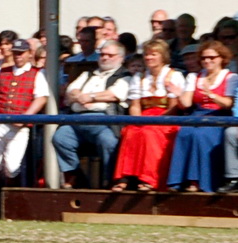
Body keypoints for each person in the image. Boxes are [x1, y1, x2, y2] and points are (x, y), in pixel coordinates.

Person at [110, 39, 184, 192]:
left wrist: (156, 121)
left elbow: (174, 107)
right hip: (144, 116)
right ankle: (125, 177)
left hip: (166, 118)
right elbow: (135, 105)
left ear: (162, 56)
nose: (149, 58)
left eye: (153, 54)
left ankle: (149, 178)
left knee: (150, 133)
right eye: (147, 55)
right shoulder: (140, 77)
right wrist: (139, 120)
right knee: (130, 131)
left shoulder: (174, 76)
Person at [52, 40, 128, 186]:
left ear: (120, 58)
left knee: (109, 141)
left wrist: (90, 97)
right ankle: (75, 176)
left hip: (104, 121)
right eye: (102, 55)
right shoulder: (87, 74)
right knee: (60, 137)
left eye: (110, 55)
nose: (105, 58)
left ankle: (110, 180)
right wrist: (78, 95)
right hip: (76, 119)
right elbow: (70, 91)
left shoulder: (124, 75)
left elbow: (114, 94)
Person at [167, 41, 234, 192]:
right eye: (204, 58)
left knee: (201, 134)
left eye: (211, 58)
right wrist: (178, 93)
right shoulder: (195, 77)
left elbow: (228, 104)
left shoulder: (230, 77)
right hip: (198, 113)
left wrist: (211, 94)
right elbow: (187, 103)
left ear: (221, 58)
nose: (207, 61)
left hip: (219, 115)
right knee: (184, 132)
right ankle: (181, 179)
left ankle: (200, 181)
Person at [0, 36, 48, 186]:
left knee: (12, 166)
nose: (18, 56)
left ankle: (13, 198)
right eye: (16, 53)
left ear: (29, 54)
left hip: (19, 127)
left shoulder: (37, 73)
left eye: (21, 53)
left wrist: (26, 116)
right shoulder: (0, 72)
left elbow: (41, 97)